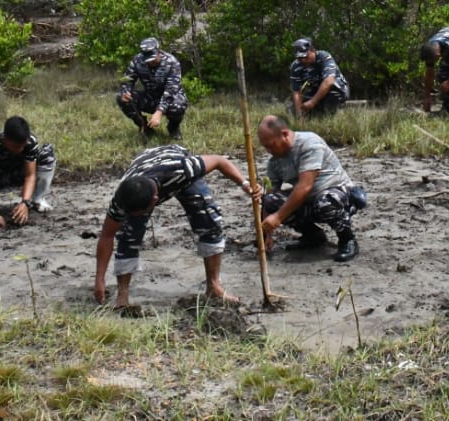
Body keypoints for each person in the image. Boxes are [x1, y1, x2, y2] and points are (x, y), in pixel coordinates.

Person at [92, 144, 254, 308]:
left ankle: (214, 286)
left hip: (172, 163)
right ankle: (122, 295)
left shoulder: (182, 170)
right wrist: (99, 278)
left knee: (208, 218)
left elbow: (219, 161)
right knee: (129, 233)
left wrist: (245, 184)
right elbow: (107, 235)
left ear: (156, 201)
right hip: (145, 167)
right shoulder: (123, 197)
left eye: (141, 213)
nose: (138, 216)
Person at [257, 114, 364, 263]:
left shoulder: (309, 143)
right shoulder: (274, 162)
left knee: (325, 201)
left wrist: (278, 217)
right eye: (265, 146)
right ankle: (313, 236)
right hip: (309, 201)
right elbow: (268, 195)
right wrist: (267, 234)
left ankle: (347, 239)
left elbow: (305, 186)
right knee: (271, 201)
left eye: (271, 144)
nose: (268, 150)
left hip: (338, 194)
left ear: (285, 134)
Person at [0, 115, 57, 227]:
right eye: (17, 146)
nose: (21, 149)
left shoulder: (30, 141)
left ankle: (37, 200)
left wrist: (25, 203)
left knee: (47, 154)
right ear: (5, 140)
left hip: (19, 174)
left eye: (23, 145)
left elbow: (30, 175)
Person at [117, 37, 188, 139]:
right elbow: (127, 79)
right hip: (150, 97)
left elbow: (171, 90)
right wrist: (125, 91)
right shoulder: (137, 60)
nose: (150, 62)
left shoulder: (172, 62)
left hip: (171, 98)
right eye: (147, 60)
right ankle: (145, 127)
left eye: (153, 58)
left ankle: (173, 128)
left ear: (159, 51)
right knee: (122, 98)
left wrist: (159, 112)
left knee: (178, 106)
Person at [289, 37, 350, 119]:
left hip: (336, 90)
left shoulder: (324, 57)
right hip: (315, 92)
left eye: (305, 57)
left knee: (331, 100)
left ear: (313, 51)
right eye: (300, 58)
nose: (303, 60)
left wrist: (312, 102)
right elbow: (296, 91)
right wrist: (299, 114)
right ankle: (313, 114)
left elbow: (329, 81)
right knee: (292, 109)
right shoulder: (295, 66)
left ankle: (328, 115)